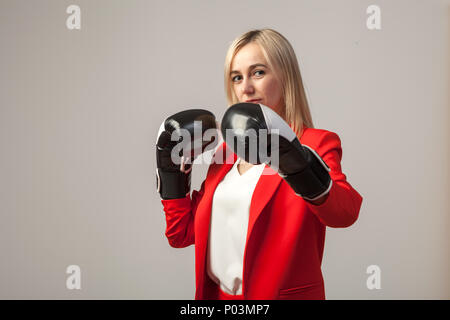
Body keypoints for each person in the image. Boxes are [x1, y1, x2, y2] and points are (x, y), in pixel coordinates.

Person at [156, 29, 363, 300]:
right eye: (237, 77)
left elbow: (344, 214)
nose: (246, 87)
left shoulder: (315, 142)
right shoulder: (226, 153)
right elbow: (181, 235)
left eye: (258, 72)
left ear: (285, 77)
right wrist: (171, 177)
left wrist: (299, 163)